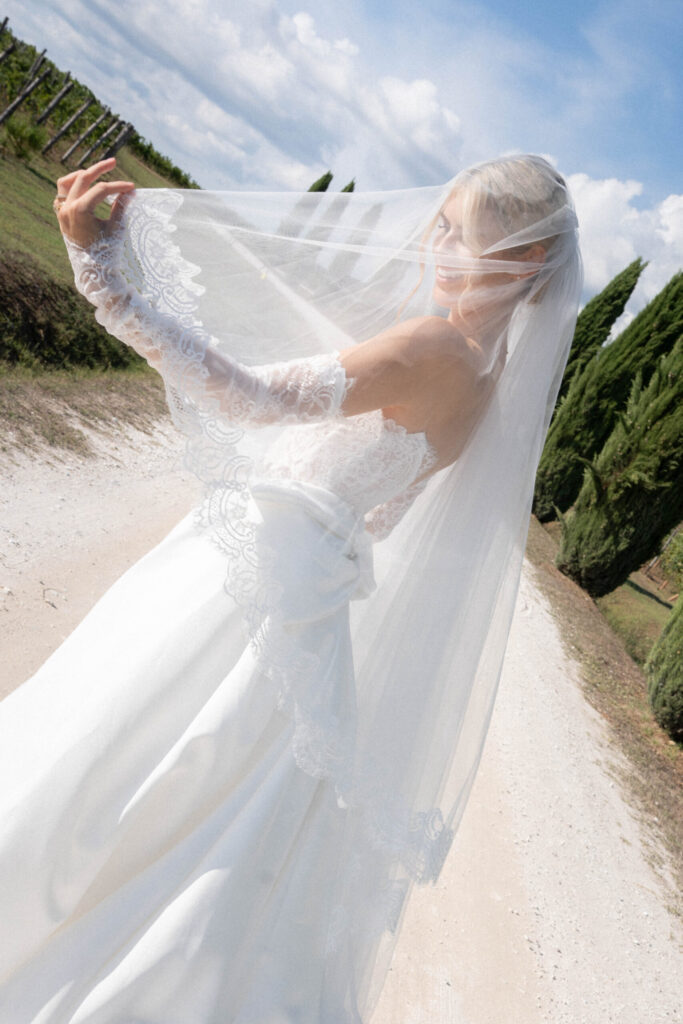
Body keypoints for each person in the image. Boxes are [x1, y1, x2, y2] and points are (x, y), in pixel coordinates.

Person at [0, 154, 582, 1022]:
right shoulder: (485, 386)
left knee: (108, 748)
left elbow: (245, 398)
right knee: (196, 809)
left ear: (524, 261)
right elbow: (380, 509)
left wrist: (102, 274)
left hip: (252, 583)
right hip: (309, 600)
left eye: (454, 229)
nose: (431, 237)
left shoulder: (434, 345)